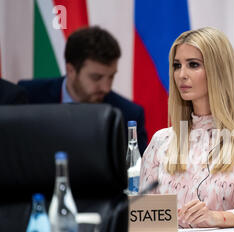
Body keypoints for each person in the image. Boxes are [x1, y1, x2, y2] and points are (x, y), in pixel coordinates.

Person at [140, 27, 234, 228]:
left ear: (217, 70)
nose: (181, 75)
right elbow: (141, 216)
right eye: (177, 65)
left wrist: (215, 218)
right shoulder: (161, 141)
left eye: (193, 65)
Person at [18, 26, 147, 154]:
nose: (106, 88)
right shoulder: (28, 96)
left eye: (111, 76)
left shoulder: (128, 115)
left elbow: (138, 172)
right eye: (96, 77)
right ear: (71, 70)